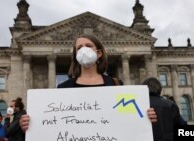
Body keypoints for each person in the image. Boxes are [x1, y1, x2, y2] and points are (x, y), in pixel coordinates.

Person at [19, 34, 157, 131]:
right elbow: (52, 125)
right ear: (75, 55)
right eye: (79, 48)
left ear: (99, 53)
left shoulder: (116, 84)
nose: (83, 49)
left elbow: (127, 120)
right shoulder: (63, 88)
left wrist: (144, 118)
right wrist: (29, 125)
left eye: (88, 46)